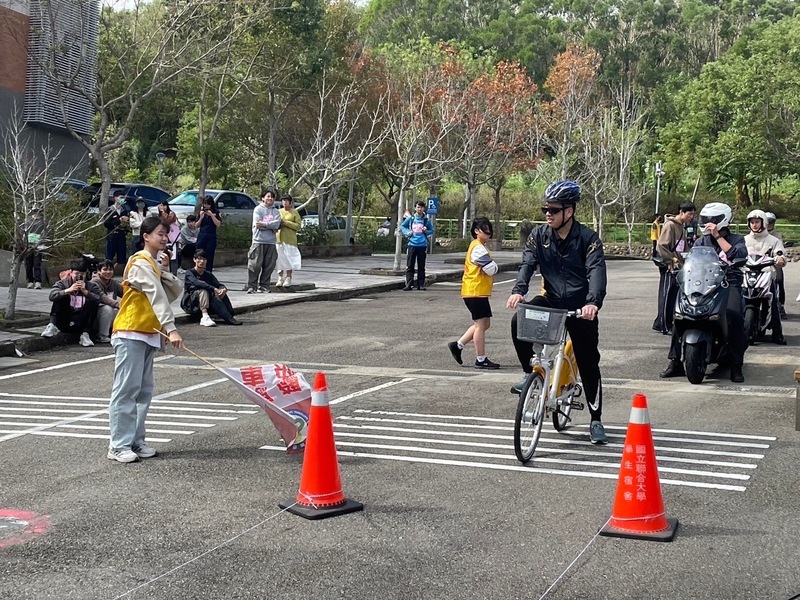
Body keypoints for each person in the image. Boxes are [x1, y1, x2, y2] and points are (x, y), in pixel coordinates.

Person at [506, 181, 609, 445]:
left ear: (570, 211)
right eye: (545, 209)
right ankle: (530, 374)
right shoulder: (539, 236)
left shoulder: (588, 239)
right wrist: (519, 290)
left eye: (553, 209)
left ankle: (596, 419)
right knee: (521, 319)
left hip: (580, 307)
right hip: (551, 301)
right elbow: (528, 264)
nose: (548, 214)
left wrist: (593, 303)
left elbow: (596, 271)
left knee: (588, 362)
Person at [107, 215, 184, 463]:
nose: (164, 238)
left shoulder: (152, 263)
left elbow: (171, 290)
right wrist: (171, 328)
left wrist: (163, 269)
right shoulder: (140, 262)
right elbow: (156, 294)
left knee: (143, 391)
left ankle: (135, 441)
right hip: (131, 331)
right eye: (160, 234)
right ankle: (118, 445)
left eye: (166, 234)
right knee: (126, 390)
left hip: (147, 332)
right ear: (146, 236)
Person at [660, 202, 748, 382]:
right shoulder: (701, 241)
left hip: (728, 283)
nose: (708, 223)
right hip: (702, 284)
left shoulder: (737, 239)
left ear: (723, 220)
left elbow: (737, 255)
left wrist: (718, 236)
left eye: (712, 220)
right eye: (706, 220)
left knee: (734, 315)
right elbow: (693, 262)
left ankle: (736, 365)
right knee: (680, 315)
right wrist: (680, 268)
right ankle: (675, 361)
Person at [447, 217, 500, 370]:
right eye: (484, 228)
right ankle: (481, 359)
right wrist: (493, 266)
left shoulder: (479, 246)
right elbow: (491, 269)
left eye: (489, 227)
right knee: (480, 325)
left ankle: (458, 345)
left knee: (484, 324)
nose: (488, 231)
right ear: (476, 231)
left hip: (477, 292)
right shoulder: (478, 248)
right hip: (475, 291)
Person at [744, 209, 786, 345]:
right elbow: (735, 253)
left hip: (767, 275)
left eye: (757, 222)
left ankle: (777, 334)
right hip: (746, 274)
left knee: (773, 303)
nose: (754, 225)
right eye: (752, 222)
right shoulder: (744, 240)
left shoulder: (773, 241)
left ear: (764, 222)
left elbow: (780, 254)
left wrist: (780, 258)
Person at [654, 202, 696, 335]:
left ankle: (661, 322)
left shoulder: (682, 227)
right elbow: (661, 246)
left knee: (674, 296)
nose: (691, 217)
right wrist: (671, 260)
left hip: (679, 267)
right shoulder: (670, 225)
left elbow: (683, 247)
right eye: (689, 214)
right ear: (681, 212)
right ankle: (664, 325)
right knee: (667, 296)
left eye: (693, 214)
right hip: (669, 267)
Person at [41, 260, 99, 347]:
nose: (79, 276)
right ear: (71, 272)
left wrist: (86, 292)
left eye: (82, 274)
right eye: (77, 273)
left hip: (81, 320)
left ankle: (85, 334)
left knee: (92, 302)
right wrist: (67, 291)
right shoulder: (62, 283)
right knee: (60, 296)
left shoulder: (91, 286)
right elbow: (52, 296)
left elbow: (99, 299)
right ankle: (52, 325)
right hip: (65, 318)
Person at [181, 250, 241, 326]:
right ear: (194, 260)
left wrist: (223, 289)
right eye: (199, 259)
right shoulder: (189, 272)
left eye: (204, 259)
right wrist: (213, 288)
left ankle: (228, 316)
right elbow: (197, 283)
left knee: (219, 293)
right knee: (203, 290)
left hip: (205, 302)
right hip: (191, 303)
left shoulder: (208, 274)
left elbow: (218, 284)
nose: (202, 261)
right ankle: (205, 316)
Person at [246, 188, 282, 294]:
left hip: (271, 242)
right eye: (268, 196)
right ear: (263, 198)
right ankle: (252, 286)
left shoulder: (276, 211)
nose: (270, 198)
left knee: (269, 265)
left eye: (272, 197)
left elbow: (277, 224)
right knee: (254, 265)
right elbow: (258, 224)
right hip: (258, 241)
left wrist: (265, 224)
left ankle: (264, 286)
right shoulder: (258, 209)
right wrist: (271, 227)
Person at [401, 200, 434, 291]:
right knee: (410, 265)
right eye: (418, 207)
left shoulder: (426, 220)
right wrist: (407, 232)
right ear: (415, 208)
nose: (420, 209)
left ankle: (421, 284)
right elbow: (402, 226)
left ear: (424, 209)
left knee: (421, 266)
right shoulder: (411, 219)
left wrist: (427, 231)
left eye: (421, 207)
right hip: (412, 244)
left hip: (422, 245)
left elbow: (432, 230)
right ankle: (409, 284)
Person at [89, 259, 124, 343]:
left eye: (110, 269)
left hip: (110, 314)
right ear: (98, 271)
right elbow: (103, 298)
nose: (108, 272)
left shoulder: (113, 283)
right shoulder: (94, 283)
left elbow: (125, 293)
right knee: (107, 308)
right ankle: (102, 335)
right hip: (96, 316)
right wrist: (118, 304)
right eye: (105, 269)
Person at [276, 194, 302, 287]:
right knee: (279, 259)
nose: (285, 202)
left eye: (286, 201)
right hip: (279, 239)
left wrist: (286, 223)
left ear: (290, 202)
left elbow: (298, 226)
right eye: (283, 200)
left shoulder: (294, 212)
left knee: (289, 259)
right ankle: (280, 277)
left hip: (290, 239)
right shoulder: (278, 211)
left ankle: (288, 277)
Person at [765, 212, 786, 317]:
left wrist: (779, 257)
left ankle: (780, 305)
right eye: (767, 221)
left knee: (779, 280)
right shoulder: (754, 235)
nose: (768, 224)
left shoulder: (777, 236)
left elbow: (780, 250)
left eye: (771, 222)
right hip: (757, 264)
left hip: (773, 263)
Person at [103, 190, 130, 267]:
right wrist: (119, 220)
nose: (123, 199)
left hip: (121, 235)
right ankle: (107, 269)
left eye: (124, 198)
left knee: (121, 256)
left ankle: (116, 269)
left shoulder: (124, 210)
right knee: (109, 256)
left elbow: (128, 225)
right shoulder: (110, 210)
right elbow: (106, 223)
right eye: (121, 197)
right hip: (112, 235)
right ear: (115, 198)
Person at [196, 195, 222, 271]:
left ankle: (208, 272)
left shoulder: (216, 213)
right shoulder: (201, 213)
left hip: (211, 235)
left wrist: (211, 215)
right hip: (202, 235)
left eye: (208, 204)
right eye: (205, 204)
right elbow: (196, 225)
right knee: (199, 254)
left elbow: (218, 224)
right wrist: (201, 217)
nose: (206, 206)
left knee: (209, 255)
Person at [25, 209, 46, 289]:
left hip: (39, 246)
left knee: (37, 264)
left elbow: (46, 234)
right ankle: (29, 281)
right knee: (28, 264)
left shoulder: (43, 222)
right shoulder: (28, 221)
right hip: (28, 245)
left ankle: (38, 281)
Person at [157, 200, 180, 275]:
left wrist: (163, 212)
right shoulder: (158, 216)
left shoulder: (172, 214)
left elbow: (166, 222)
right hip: (163, 239)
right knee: (162, 257)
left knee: (173, 259)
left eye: (164, 205)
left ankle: (174, 275)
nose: (163, 207)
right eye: (161, 206)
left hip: (173, 239)